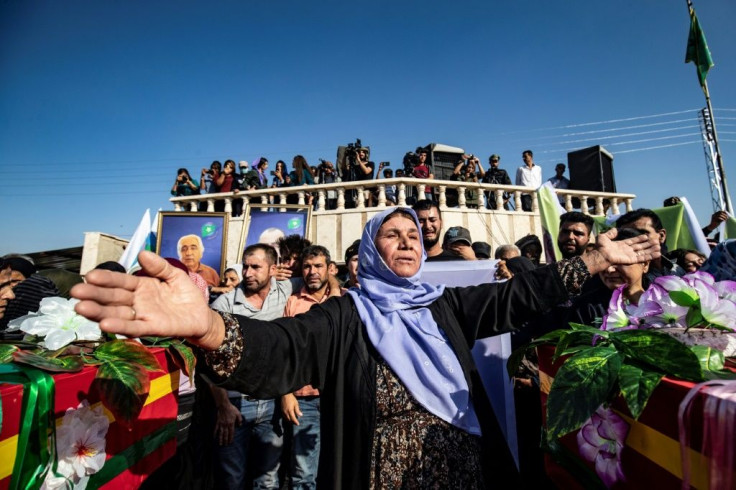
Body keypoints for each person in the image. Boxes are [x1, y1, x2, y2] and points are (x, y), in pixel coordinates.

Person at [71, 207, 659, 489]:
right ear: (372, 250)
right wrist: (209, 327)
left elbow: (522, 296)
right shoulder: (345, 314)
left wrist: (596, 258)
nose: (406, 244)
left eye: (412, 236)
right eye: (391, 236)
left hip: (460, 472)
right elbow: (282, 349)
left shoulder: (445, 305)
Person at [208, 244, 293, 488]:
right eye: (245, 266)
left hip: (272, 405)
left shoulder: (286, 290)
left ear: (273, 269)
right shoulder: (223, 305)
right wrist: (223, 406)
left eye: (255, 267)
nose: (247, 273)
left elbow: (321, 278)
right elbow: (210, 360)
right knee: (231, 480)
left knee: (267, 480)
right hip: (234, 408)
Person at [281, 246, 345, 490]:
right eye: (307, 267)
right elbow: (285, 353)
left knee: (338, 467)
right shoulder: (293, 303)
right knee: (304, 473)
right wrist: (286, 393)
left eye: (318, 266)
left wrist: (336, 289)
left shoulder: (344, 298)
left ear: (330, 269)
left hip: (338, 397)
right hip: (304, 399)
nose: (312, 272)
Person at [616, 208, 684, 282]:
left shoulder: (678, 270)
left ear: (661, 236)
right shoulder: (618, 277)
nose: (635, 239)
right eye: (627, 235)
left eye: (642, 233)